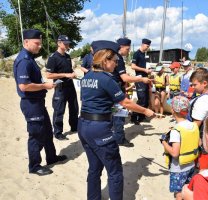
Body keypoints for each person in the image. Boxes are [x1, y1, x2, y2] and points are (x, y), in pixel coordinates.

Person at [78, 40, 155, 200]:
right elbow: (125, 102)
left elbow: (95, 99)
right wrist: (145, 110)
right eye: (115, 61)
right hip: (99, 129)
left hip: (84, 126)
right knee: (115, 172)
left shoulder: (87, 77)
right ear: (105, 60)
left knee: (94, 168)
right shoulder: (107, 79)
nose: (116, 64)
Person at [13, 29, 67, 176]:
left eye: (40, 43)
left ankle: (51, 157)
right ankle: (34, 166)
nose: (39, 46)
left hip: (37, 102)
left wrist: (42, 84)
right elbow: (23, 86)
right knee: (36, 134)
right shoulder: (24, 60)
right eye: (37, 43)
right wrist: (44, 86)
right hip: (31, 103)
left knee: (47, 131)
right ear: (26, 42)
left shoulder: (30, 58)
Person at [112, 38, 152, 147]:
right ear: (121, 47)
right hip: (117, 91)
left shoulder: (111, 56)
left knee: (113, 115)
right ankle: (119, 139)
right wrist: (141, 79)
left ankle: (113, 136)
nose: (129, 51)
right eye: (127, 49)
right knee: (119, 115)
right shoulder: (118, 58)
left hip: (113, 89)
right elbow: (124, 77)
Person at [160, 96, 199, 200]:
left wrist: (163, 141)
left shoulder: (176, 130)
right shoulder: (194, 125)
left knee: (179, 193)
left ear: (173, 110)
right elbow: (197, 143)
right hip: (191, 165)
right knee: (187, 189)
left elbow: (174, 153)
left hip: (178, 169)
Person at [46, 35, 79, 140]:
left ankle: (74, 127)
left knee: (74, 108)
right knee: (59, 110)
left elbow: (69, 71)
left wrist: (72, 73)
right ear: (59, 43)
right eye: (65, 43)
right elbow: (48, 75)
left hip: (70, 86)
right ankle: (57, 132)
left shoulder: (68, 56)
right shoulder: (53, 58)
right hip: (60, 87)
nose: (68, 45)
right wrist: (65, 75)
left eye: (68, 43)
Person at [188, 68, 208, 170]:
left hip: (201, 142)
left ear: (204, 83)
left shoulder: (202, 101)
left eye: (195, 85)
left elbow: (196, 125)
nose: (192, 87)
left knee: (201, 169)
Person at [131, 38, 152, 125]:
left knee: (146, 99)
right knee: (141, 99)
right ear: (143, 44)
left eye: (149, 46)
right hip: (139, 79)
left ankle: (142, 116)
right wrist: (144, 70)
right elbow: (133, 66)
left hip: (146, 78)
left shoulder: (144, 55)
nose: (148, 48)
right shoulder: (137, 54)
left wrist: (148, 70)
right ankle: (134, 116)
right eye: (147, 46)